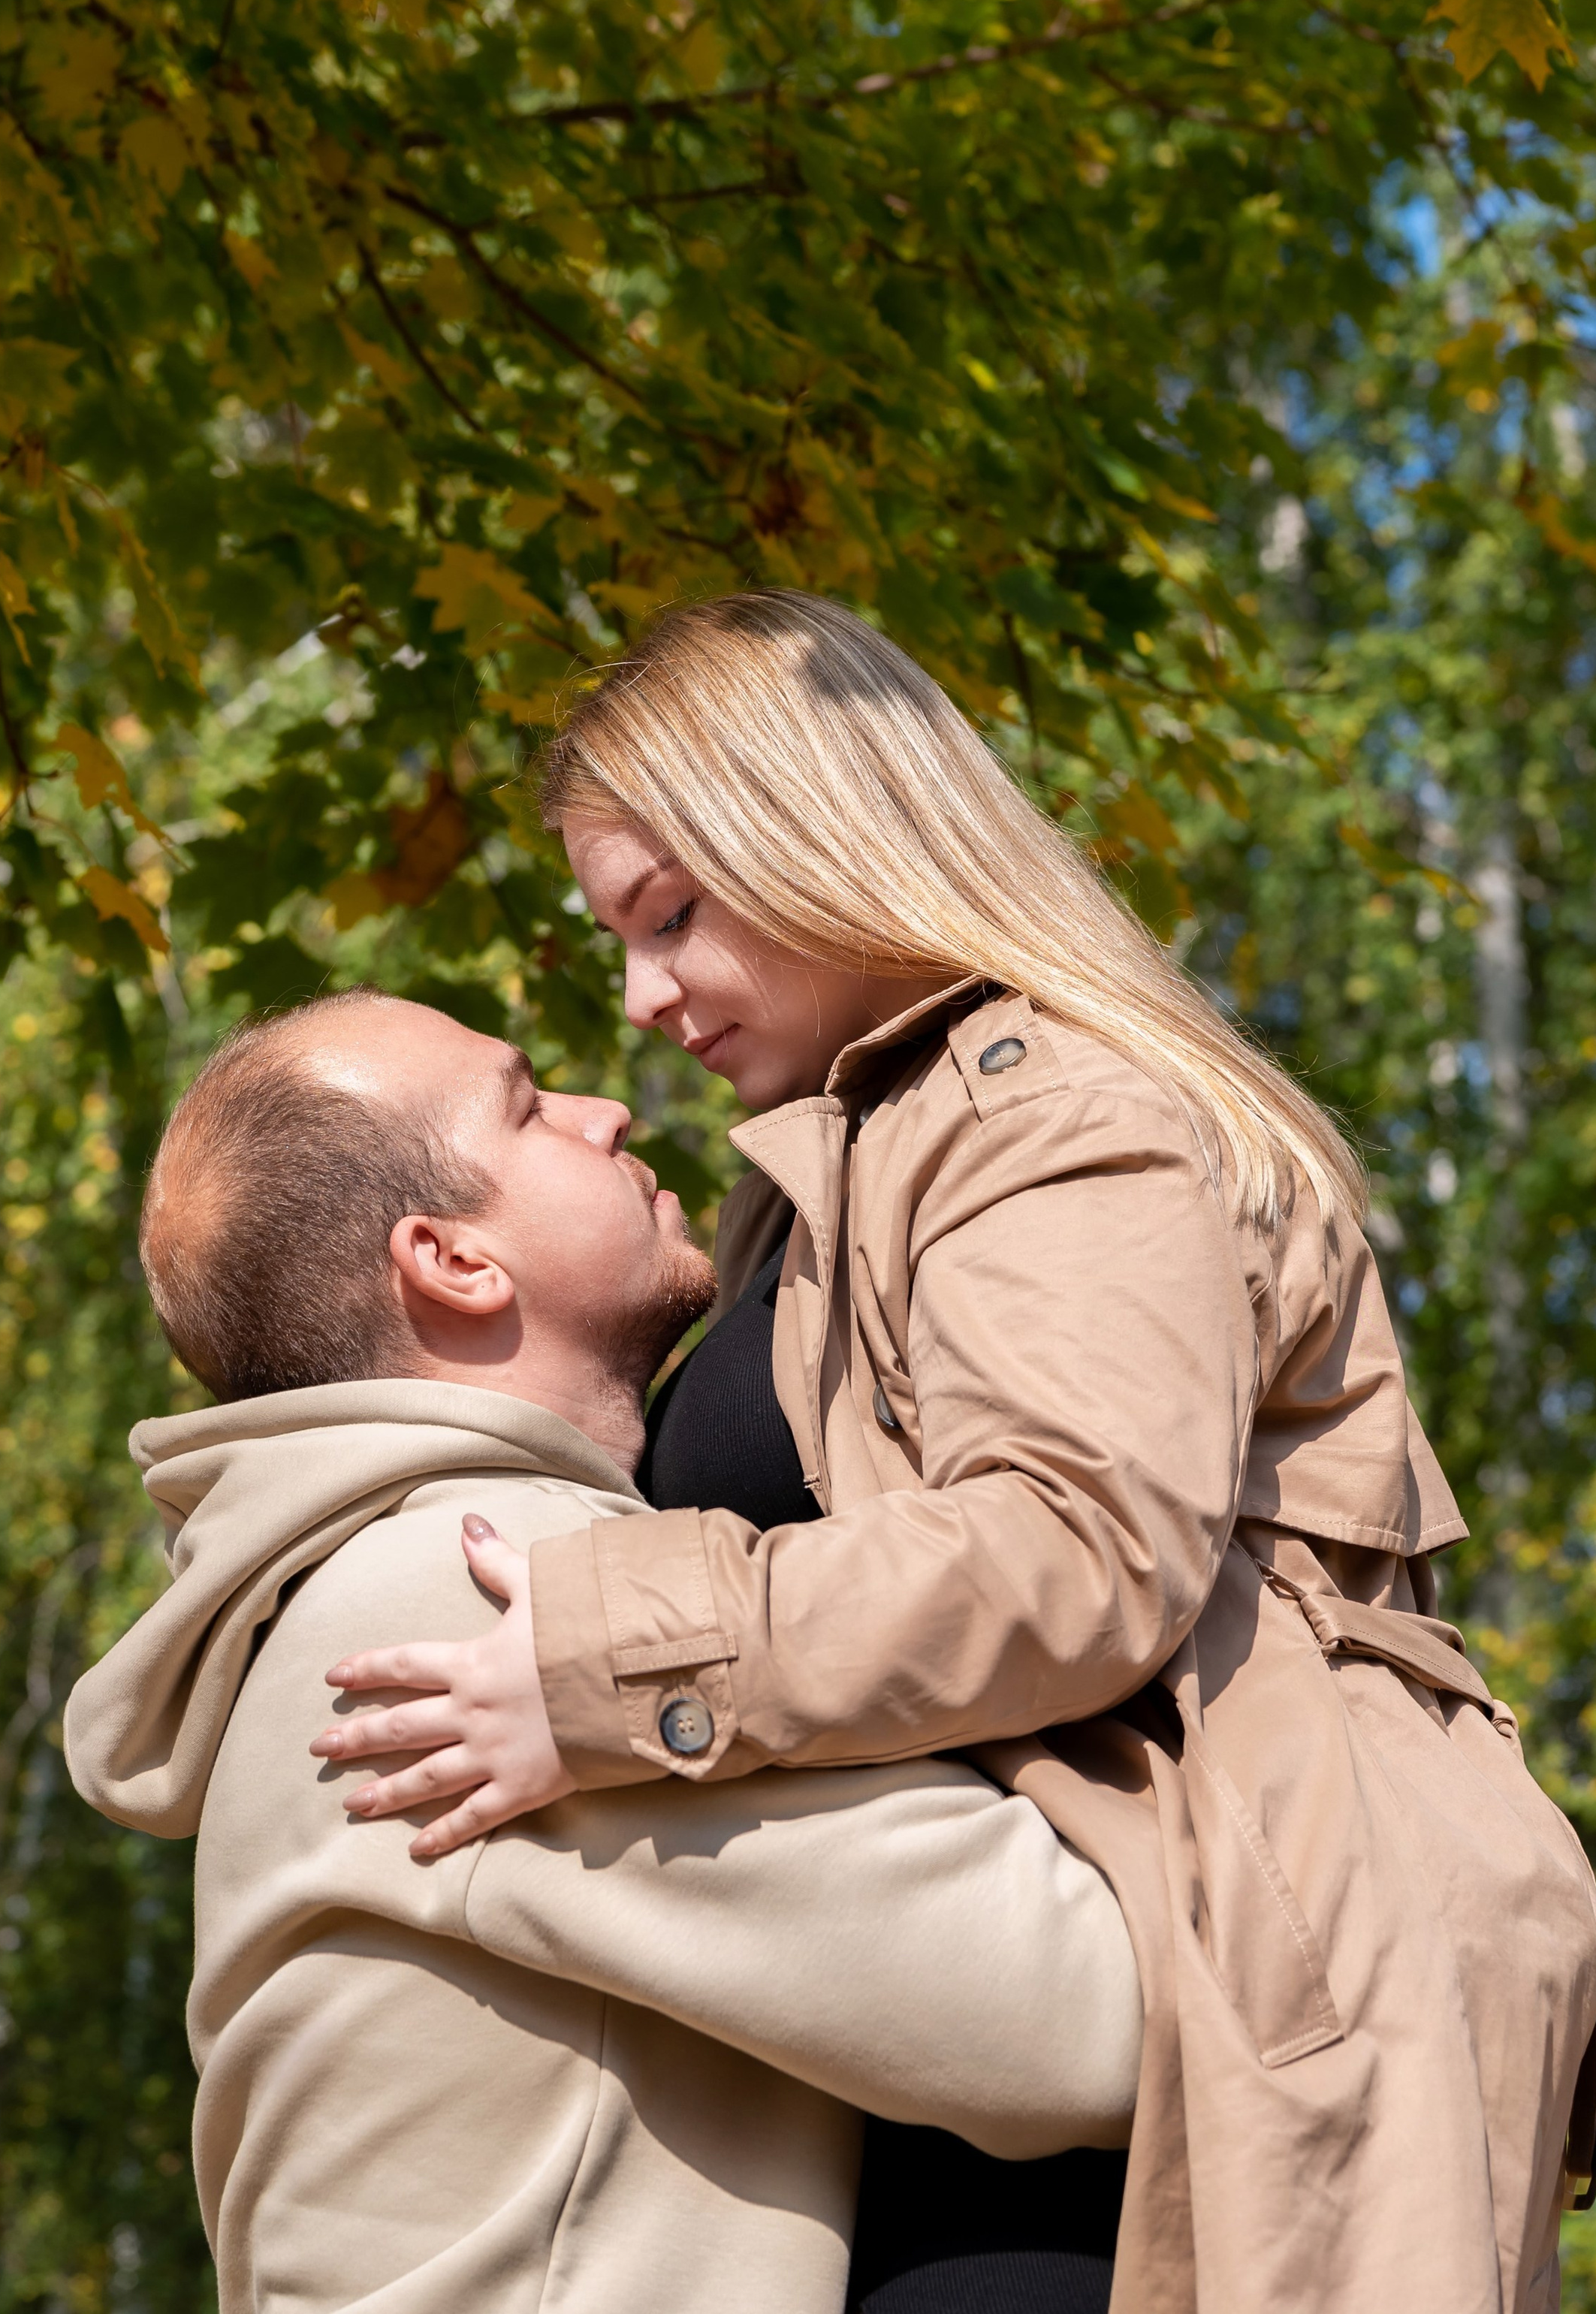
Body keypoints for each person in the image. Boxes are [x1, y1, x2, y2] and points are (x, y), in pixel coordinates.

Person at [313, 590, 1596, 2314]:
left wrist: (607, 1654)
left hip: (1206, 2012)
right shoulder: (842, 1160)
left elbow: (1077, 1549)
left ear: (811, 832)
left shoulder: (1042, 1114)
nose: (639, 998)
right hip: (1017, 2048)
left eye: (670, 915)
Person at [62, 988, 1142, 2314]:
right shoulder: (478, 1595)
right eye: (529, 1108)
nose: (605, 1108)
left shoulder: (359, 1587)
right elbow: (1085, 2011)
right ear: (454, 1263)